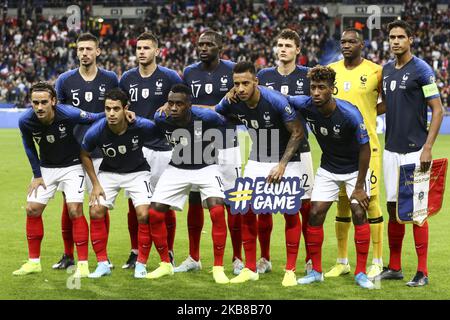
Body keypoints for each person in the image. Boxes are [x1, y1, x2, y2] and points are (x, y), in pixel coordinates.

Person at [216, 61, 305, 286]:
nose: (241, 88)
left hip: (286, 159)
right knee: (245, 209)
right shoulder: (233, 99)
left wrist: (282, 165)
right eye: (236, 84)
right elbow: (217, 113)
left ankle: (290, 270)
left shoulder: (275, 100)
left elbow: (297, 132)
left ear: (256, 81)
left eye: (246, 83)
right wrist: (226, 97)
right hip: (256, 158)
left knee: (290, 212)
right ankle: (250, 267)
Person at [289, 66, 374, 289]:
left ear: (332, 89)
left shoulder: (349, 115)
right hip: (328, 168)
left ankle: (361, 272)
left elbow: (366, 149)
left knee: (358, 211)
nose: (316, 92)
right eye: (313, 88)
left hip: (355, 169)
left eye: (322, 88)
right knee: (315, 214)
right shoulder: (306, 105)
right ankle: (316, 271)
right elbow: (280, 98)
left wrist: (358, 187)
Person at [13, 82, 104, 277]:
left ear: (53, 101)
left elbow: (94, 118)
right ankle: (34, 262)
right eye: (35, 103)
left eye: (44, 102)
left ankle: (82, 265)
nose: (39, 107)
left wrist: (121, 113)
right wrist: (37, 175)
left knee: (74, 210)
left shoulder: (69, 113)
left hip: (72, 166)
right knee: (32, 208)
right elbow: (29, 147)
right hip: (46, 168)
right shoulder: (26, 121)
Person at [377, 20, 444, 287]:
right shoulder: (386, 70)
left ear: (410, 40)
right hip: (390, 151)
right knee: (393, 208)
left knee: (417, 212)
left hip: (415, 152)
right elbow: (386, 105)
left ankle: (423, 271)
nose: (395, 41)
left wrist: (427, 148)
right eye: (392, 37)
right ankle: (394, 267)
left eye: (400, 37)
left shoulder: (422, 70)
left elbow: (437, 110)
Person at [176, 30, 244, 275]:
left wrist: (204, 110)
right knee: (194, 199)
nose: (203, 48)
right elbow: (184, 108)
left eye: (209, 44)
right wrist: (217, 108)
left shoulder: (233, 71)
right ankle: (194, 257)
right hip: (196, 144)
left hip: (227, 143)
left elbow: (238, 111)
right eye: (200, 44)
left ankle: (237, 258)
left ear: (220, 46)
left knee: (231, 202)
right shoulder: (189, 72)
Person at [151, 84, 229, 284]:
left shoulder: (206, 118)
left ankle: (218, 267)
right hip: (176, 168)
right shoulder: (161, 118)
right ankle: (165, 265)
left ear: (189, 105)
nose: (174, 108)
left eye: (179, 104)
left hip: (207, 167)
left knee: (217, 210)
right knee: (154, 213)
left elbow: (225, 122)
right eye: (171, 103)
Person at [53, 32, 119, 270]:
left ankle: (104, 257)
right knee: (70, 204)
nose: (84, 53)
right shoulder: (65, 80)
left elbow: (118, 108)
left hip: (102, 151)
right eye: (80, 49)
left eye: (89, 49)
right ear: (76, 52)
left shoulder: (110, 78)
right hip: (71, 153)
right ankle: (68, 255)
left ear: (98, 51)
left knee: (99, 206)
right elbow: (57, 113)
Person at [80, 88, 159, 279]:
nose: (111, 113)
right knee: (95, 210)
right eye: (107, 109)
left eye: (116, 109)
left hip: (138, 172)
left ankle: (141, 264)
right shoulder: (97, 130)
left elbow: (160, 130)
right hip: (109, 173)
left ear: (126, 108)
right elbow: (84, 153)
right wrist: (96, 184)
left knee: (144, 214)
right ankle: (102, 264)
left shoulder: (140, 125)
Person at [119, 32, 182, 269]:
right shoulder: (126, 78)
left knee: (164, 202)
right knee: (134, 205)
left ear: (157, 51)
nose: (142, 52)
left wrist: (171, 105)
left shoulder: (169, 77)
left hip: (165, 148)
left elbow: (183, 103)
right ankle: (136, 251)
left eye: (147, 48)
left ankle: (170, 251)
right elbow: (119, 105)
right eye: (138, 48)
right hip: (136, 148)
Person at [326, 28, 384, 280]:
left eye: (352, 41)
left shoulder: (375, 71)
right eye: (343, 42)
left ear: (362, 45)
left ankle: (377, 261)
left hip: (367, 148)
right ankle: (342, 261)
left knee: (369, 202)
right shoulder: (331, 70)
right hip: (339, 150)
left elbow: (390, 101)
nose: (347, 45)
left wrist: (370, 112)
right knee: (342, 203)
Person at [256, 28, 314, 275]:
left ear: (298, 50)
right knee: (264, 207)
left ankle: (311, 258)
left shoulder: (307, 76)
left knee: (304, 207)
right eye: (280, 45)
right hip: (267, 150)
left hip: (300, 150)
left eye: (289, 45)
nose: (283, 49)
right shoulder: (264, 75)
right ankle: (265, 258)